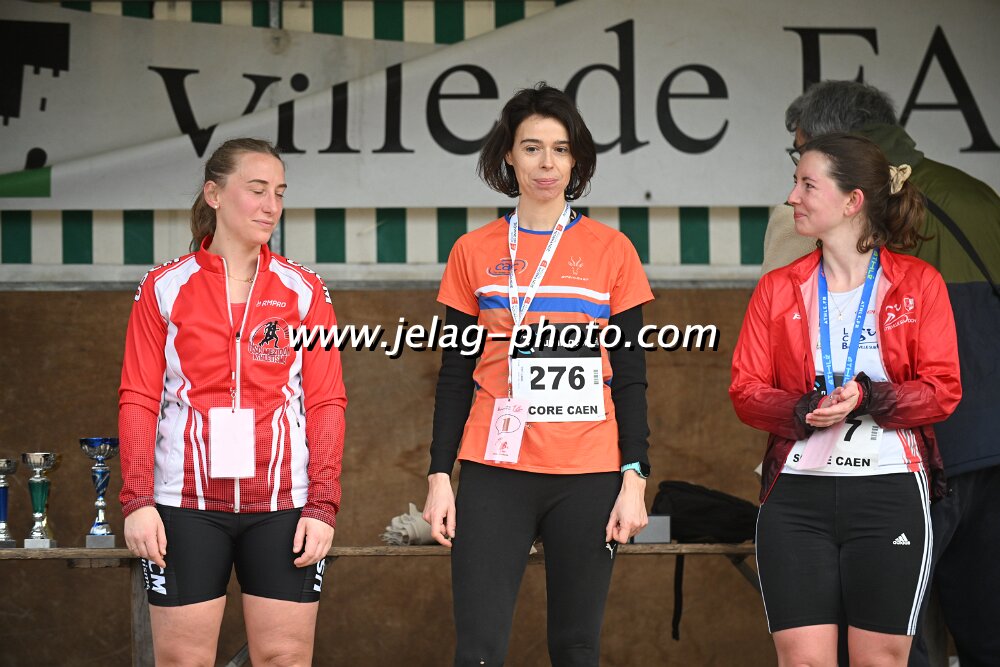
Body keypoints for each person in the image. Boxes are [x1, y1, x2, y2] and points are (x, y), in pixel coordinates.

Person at [762, 80, 1000, 667]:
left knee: (890, 641)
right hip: (990, 448)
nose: (796, 185)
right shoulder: (979, 197)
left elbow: (784, 354)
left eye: (801, 155)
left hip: (896, 458)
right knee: (988, 632)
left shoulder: (818, 217)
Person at [421, 83, 653, 666]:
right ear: (508, 155)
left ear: (576, 160)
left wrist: (635, 476)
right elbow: (454, 373)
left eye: (560, 149)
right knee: (478, 649)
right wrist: (439, 475)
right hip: (495, 469)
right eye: (532, 148)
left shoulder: (613, 249)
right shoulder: (472, 250)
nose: (547, 163)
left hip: (589, 469)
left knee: (576, 647)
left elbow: (630, 375)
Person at [731, 133, 962, 666]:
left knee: (879, 659)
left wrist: (868, 395)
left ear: (852, 200)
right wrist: (799, 410)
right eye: (795, 183)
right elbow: (745, 391)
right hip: (796, 496)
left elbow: (942, 391)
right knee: (804, 660)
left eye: (807, 185)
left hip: (889, 491)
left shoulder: (918, 283)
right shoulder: (778, 287)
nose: (792, 197)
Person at [118, 138, 347, 666]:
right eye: (257, 190)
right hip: (184, 503)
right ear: (214, 194)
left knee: (284, 657)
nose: (271, 206)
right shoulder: (163, 286)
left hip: (283, 504)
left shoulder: (304, 289)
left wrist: (323, 504)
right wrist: (137, 500)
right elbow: (138, 398)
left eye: (280, 193)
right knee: (183, 660)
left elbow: (326, 402)